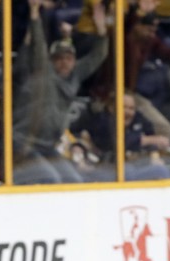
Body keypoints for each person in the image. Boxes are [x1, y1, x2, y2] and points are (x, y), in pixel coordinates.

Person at [12, 0, 108, 185]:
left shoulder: (74, 76)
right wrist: (34, 15)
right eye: (59, 58)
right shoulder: (43, 72)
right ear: (52, 60)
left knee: (73, 180)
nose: (64, 62)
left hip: (48, 145)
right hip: (24, 142)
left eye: (69, 58)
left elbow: (98, 56)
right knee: (51, 179)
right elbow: (39, 46)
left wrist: (102, 30)